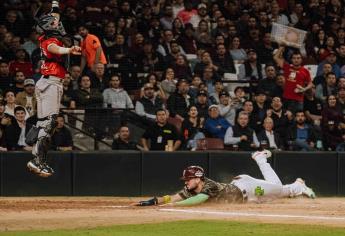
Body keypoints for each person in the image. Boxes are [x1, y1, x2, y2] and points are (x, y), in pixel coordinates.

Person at [133, 150, 315, 207]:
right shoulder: (191, 188)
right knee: (276, 193)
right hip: (247, 199)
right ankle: (298, 186)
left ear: (198, 179)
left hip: (247, 187)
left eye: (188, 179)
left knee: (275, 188)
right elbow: (172, 197)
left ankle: (260, 158)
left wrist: (173, 206)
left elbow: (200, 199)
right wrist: (153, 202)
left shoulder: (208, 185)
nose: (186, 182)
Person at [26, 0, 81, 177]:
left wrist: (56, 4)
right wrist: (69, 50)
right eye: (56, 22)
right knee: (49, 123)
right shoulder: (49, 41)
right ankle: (37, 161)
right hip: (51, 83)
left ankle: (35, 156)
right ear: (50, 25)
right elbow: (55, 49)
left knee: (43, 123)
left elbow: (55, 15)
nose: (59, 23)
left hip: (46, 81)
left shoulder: (48, 35)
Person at [274, 46, 313, 113]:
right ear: (291, 60)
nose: (296, 60)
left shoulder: (305, 71)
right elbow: (276, 57)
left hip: (298, 100)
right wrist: (282, 46)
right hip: (286, 98)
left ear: (301, 59)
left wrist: (304, 89)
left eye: (298, 58)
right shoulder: (287, 67)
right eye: (294, 58)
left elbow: (310, 84)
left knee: (296, 120)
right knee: (285, 119)